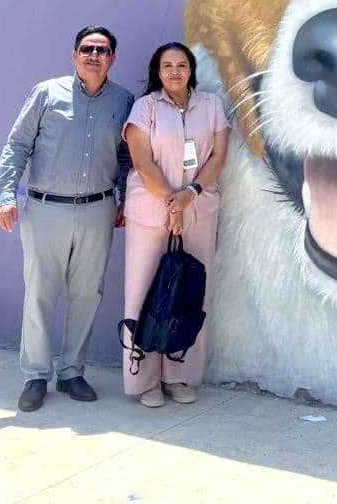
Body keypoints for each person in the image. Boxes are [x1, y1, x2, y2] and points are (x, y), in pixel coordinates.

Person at [0, 26, 135, 412]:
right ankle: (36, 375)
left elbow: (126, 158)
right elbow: (17, 145)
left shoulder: (123, 101)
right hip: (45, 209)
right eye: (86, 49)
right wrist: (6, 196)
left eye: (102, 50)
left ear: (112, 59)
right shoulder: (46, 93)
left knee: (88, 294)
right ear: (74, 55)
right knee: (39, 293)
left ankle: (72, 372)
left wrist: (123, 196)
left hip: (98, 210)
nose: (94, 55)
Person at [121, 41, 229, 407]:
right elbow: (142, 162)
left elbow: (217, 157)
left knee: (190, 291)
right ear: (157, 71)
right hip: (151, 214)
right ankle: (145, 379)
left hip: (198, 210)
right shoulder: (145, 108)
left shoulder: (211, 106)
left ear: (190, 70)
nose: (174, 72)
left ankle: (180, 375)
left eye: (181, 65)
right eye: (167, 66)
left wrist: (189, 196)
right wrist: (172, 203)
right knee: (145, 293)